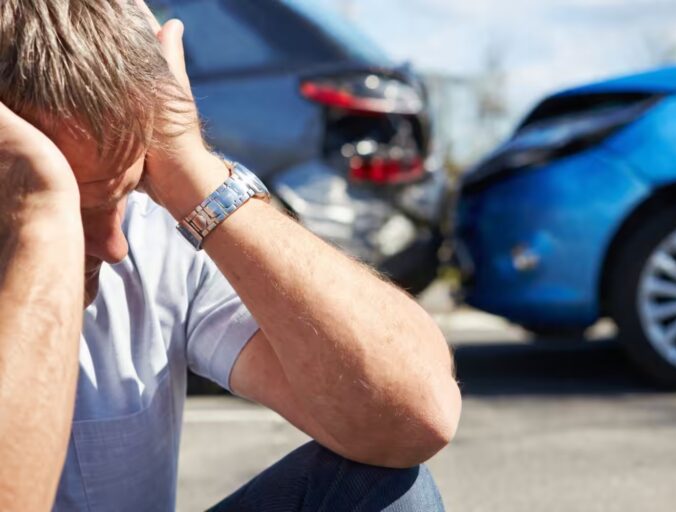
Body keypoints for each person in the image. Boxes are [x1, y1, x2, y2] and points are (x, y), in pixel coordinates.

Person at [0, 1, 462, 511]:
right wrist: (41, 213)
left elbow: (416, 416)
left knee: (387, 494)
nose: (116, 246)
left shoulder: (149, 232)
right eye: (79, 207)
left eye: (123, 194)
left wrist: (191, 168)